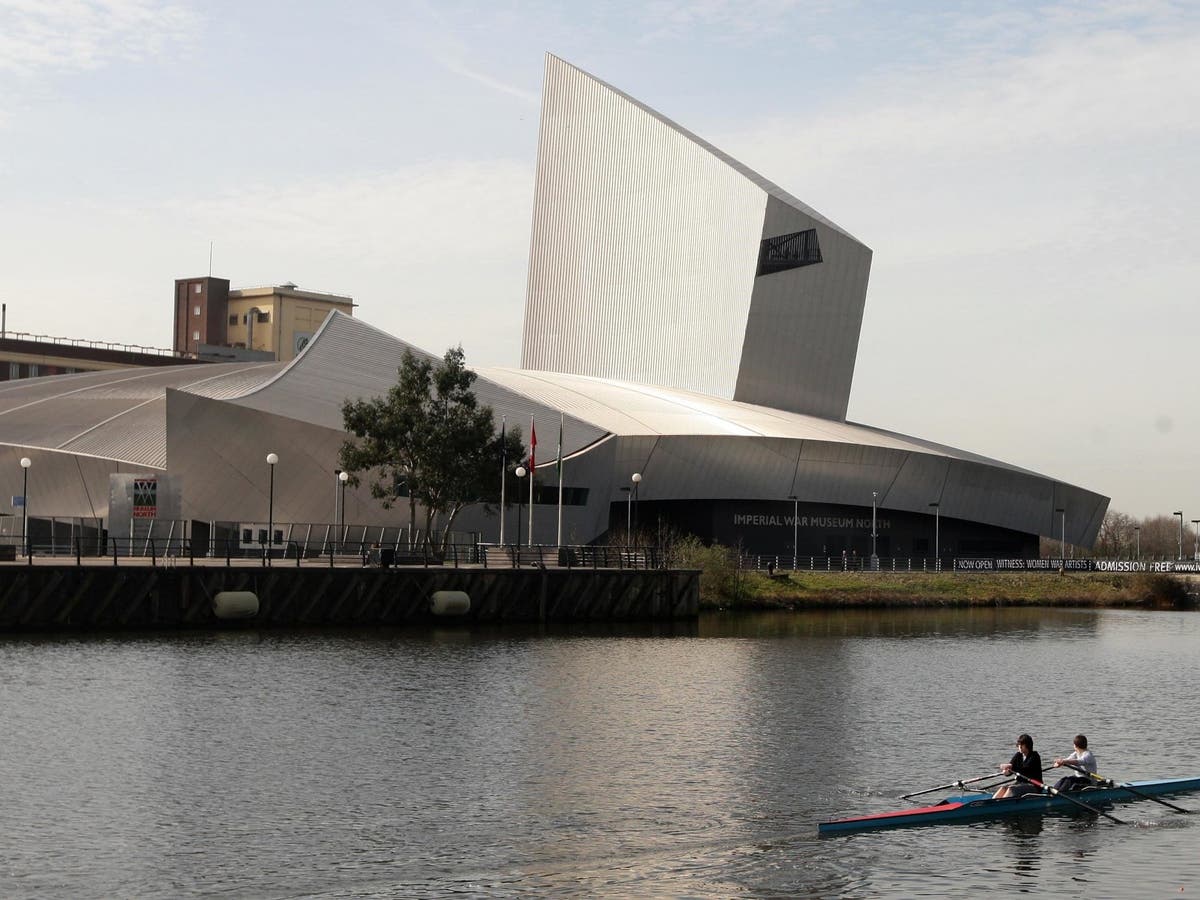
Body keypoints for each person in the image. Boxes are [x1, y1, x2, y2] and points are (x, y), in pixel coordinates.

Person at [993, 733, 1044, 799]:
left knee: (1011, 789)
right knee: (1003, 788)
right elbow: (1011, 768)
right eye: (1019, 744)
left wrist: (1010, 767)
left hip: (1034, 786)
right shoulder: (1018, 755)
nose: (1019, 746)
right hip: (1020, 784)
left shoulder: (1034, 756)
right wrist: (1006, 772)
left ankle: (1001, 806)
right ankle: (992, 803)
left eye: (1021, 744)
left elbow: (1025, 770)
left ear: (1027, 745)